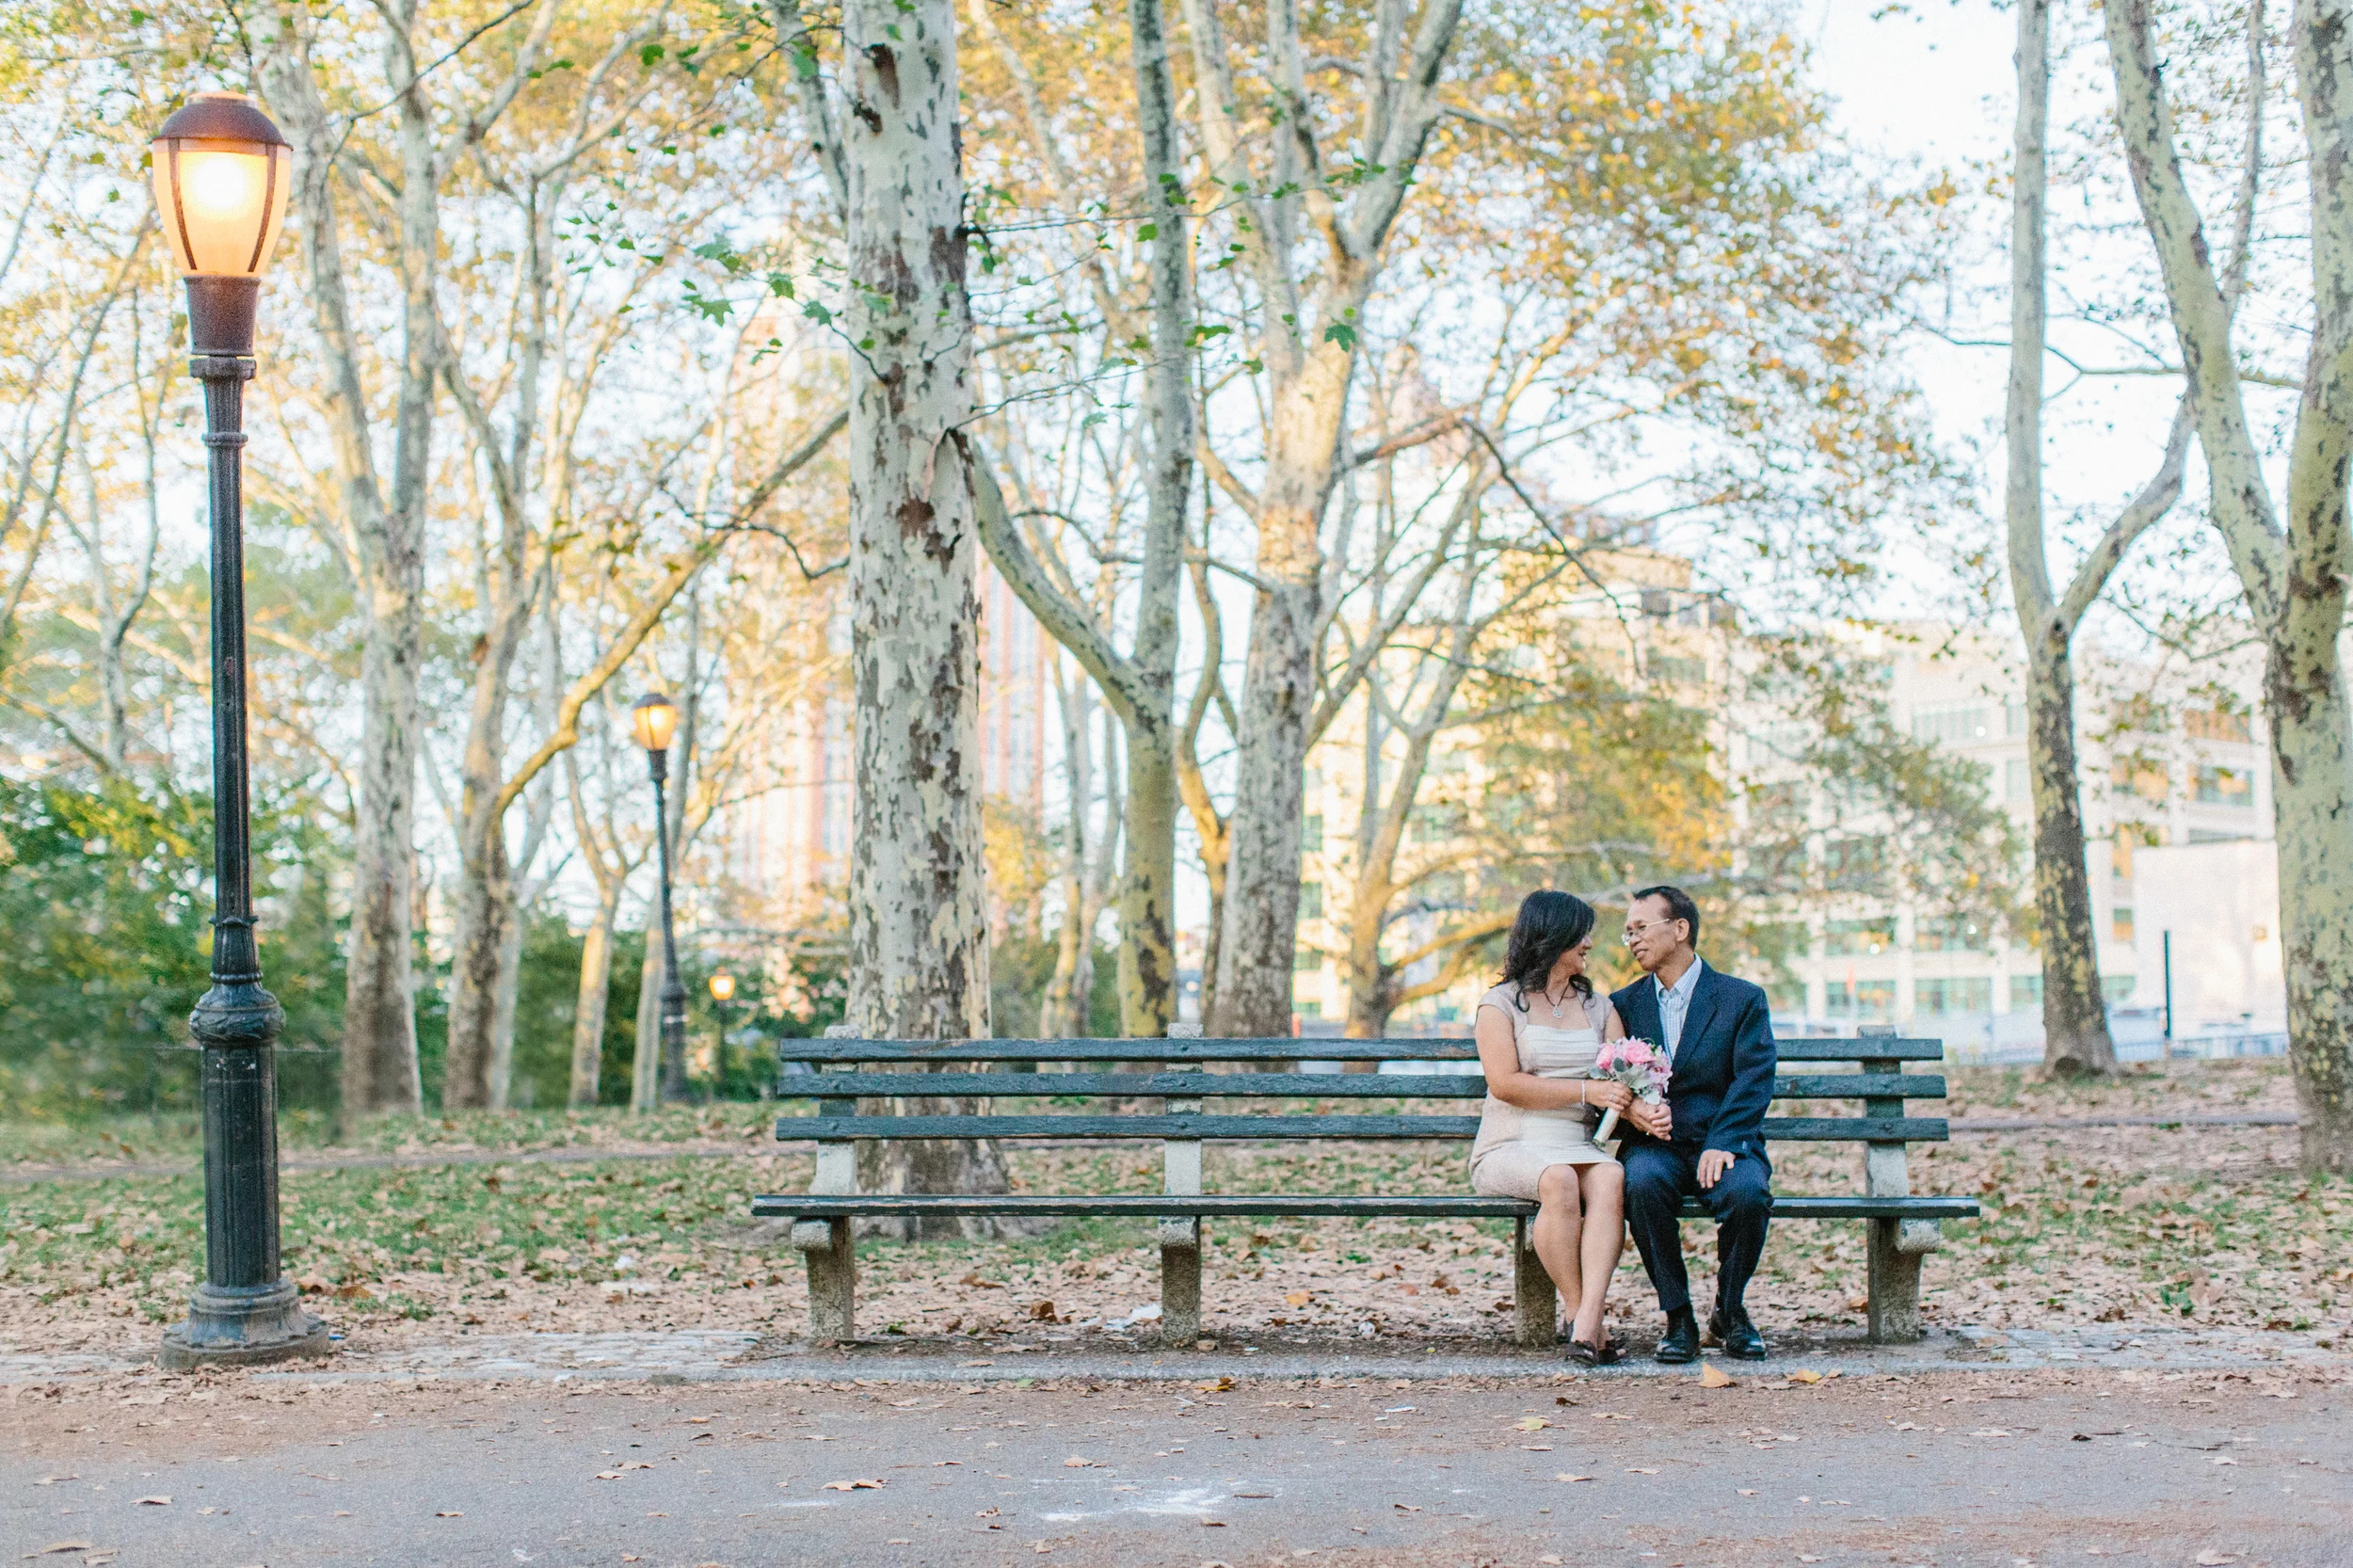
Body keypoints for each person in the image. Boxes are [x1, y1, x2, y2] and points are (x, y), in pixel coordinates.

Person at [1470, 890, 1657, 1365]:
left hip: (1578, 1141)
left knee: (1611, 1176)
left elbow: (1622, 1077)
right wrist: (1585, 1092)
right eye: (1581, 934)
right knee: (1558, 1178)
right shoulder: (1500, 1005)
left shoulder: (1599, 1007)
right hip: (1513, 1143)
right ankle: (1582, 1316)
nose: (1590, 942)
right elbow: (1506, 1084)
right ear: (1552, 937)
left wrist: (1639, 1103)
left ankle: (1588, 1315)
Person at [1609, 885, 1778, 1363]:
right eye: (1628, 933)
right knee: (1639, 1183)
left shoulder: (1741, 999)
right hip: (1655, 1143)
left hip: (1722, 1141)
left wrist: (1724, 1141)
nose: (1633, 940)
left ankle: (1730, 1310)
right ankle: (1678, 1317)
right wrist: (1635, 1113)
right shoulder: (1623, 1005)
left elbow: (1754, 1077)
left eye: (1641, 928)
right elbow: (1609, 1075)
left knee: (1747, 1195)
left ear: (1680, 929)